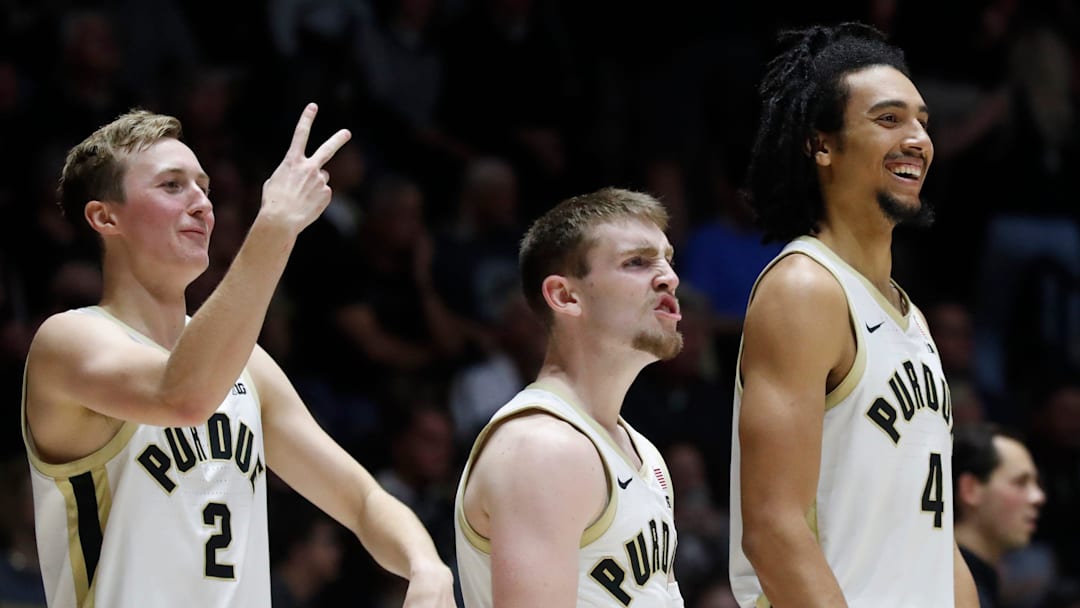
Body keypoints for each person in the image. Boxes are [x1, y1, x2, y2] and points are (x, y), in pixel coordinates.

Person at [21, 104, 454, 607]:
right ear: (104, 216)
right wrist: (274, 227)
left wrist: (427, 566)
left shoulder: (249, 365)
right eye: (172, 185)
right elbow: (182, 395)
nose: (202, 203)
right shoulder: (68, 341)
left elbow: (362, 500)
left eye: (203, 185)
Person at [728, 23, 978, 607]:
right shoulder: (804, 289)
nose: (918, 138)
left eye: (923, 121)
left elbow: (935, 539)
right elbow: (773, 529)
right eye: (889, 119)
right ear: (822, 145)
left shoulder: (908, 314)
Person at [455, 187, 685, 607]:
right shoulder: (542, 448)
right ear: (565, 296)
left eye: (668, 259)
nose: (669, 276)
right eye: (637, 262)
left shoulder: (643, 453)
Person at [953, 423, 1045, 607]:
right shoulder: (947, 587)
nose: (1039, 497)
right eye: (1020, 483)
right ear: (970, 489)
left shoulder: (982, 582)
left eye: (1036, 483)